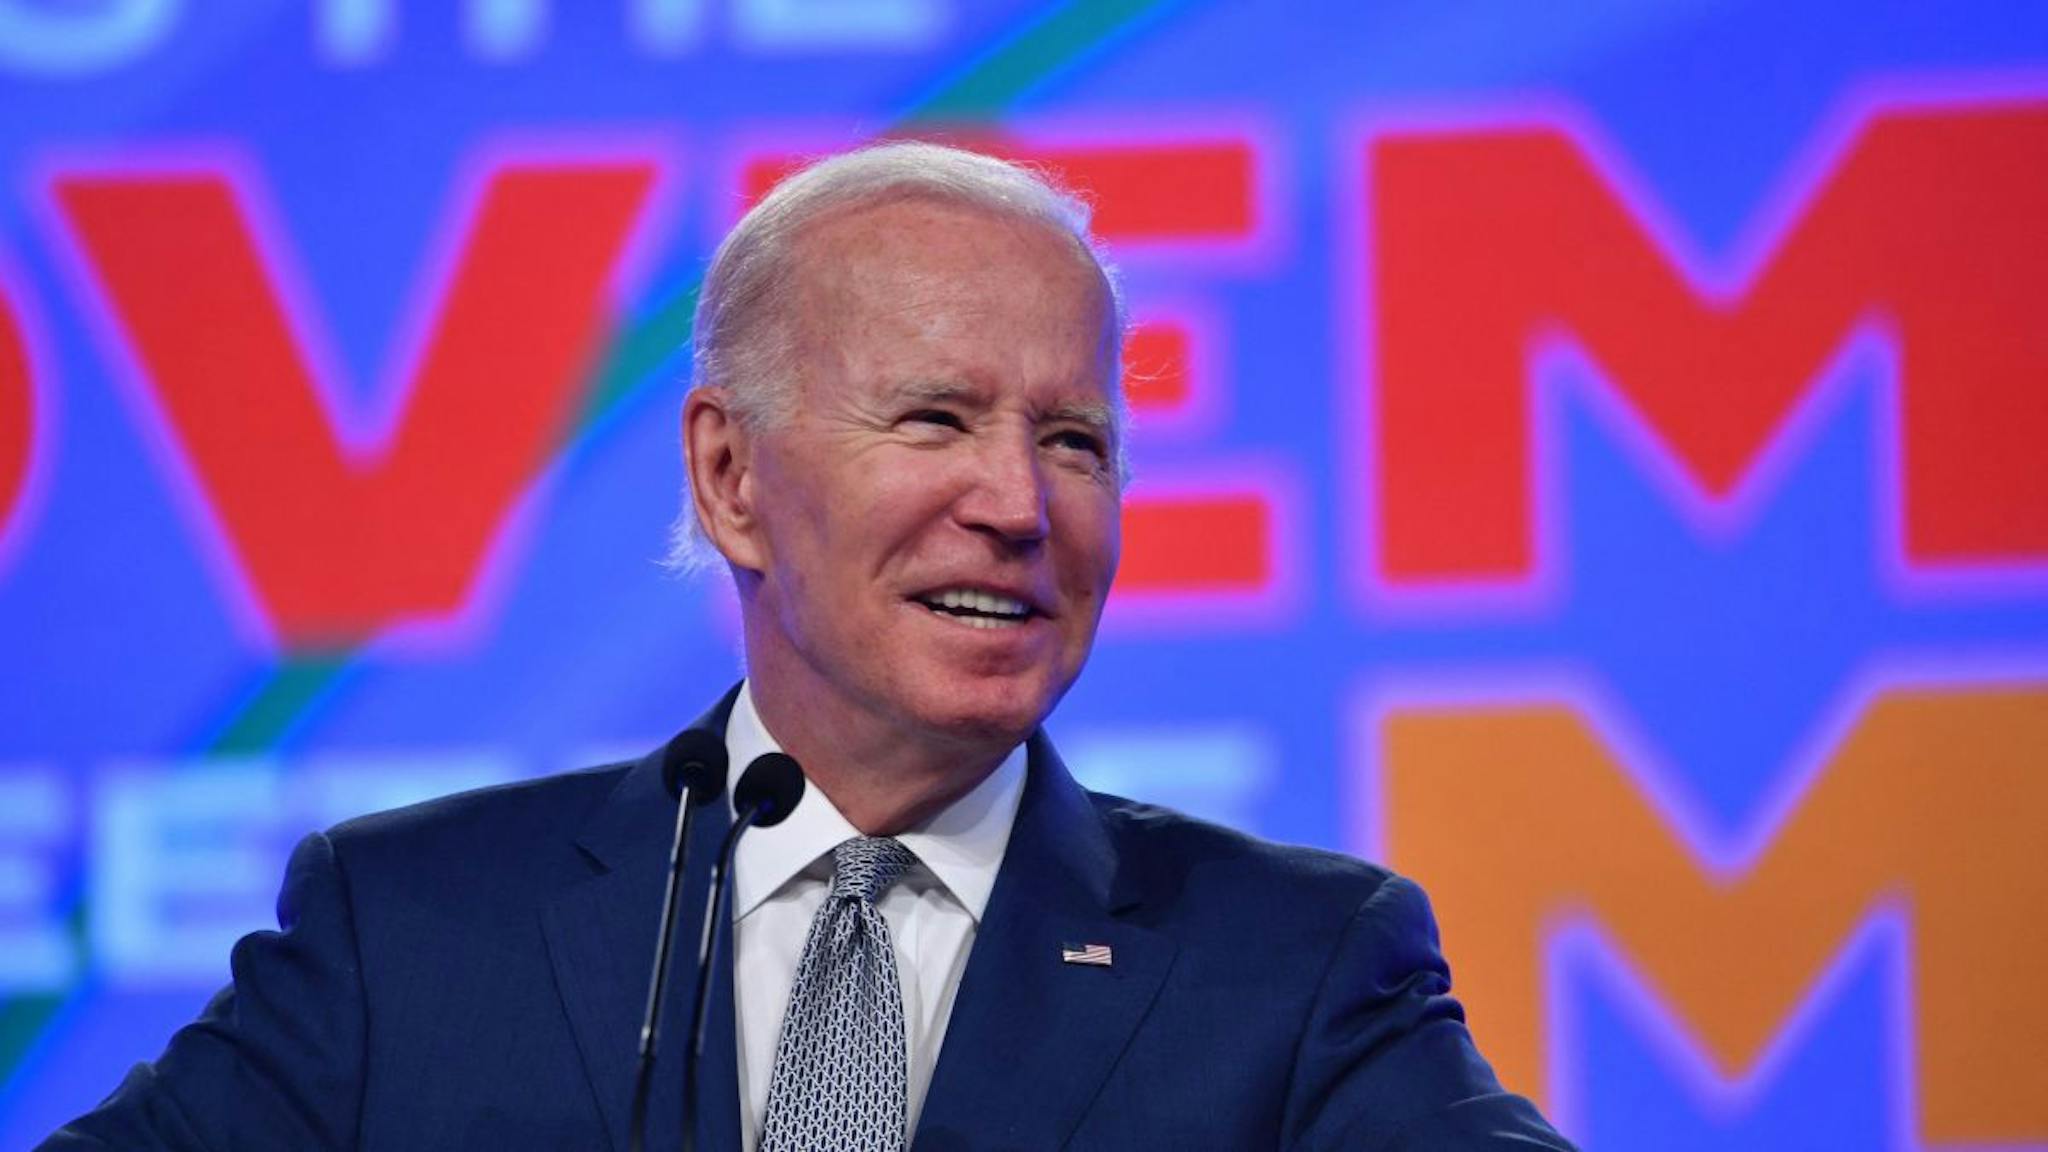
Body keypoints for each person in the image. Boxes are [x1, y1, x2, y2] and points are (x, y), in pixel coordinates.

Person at [42, 141, 1574, 1150]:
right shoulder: (414, 934)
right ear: (730, 477)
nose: (1020, 505)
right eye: (935, 420)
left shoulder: (1293, 974)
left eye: (1077, 440)